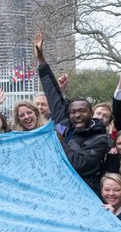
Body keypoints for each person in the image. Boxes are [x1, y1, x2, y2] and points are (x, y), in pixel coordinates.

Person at [35, 33, 108, 192]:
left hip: (86, 192)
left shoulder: (100, 138)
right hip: (60, 188)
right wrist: (41, 61)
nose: (77, 115)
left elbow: (78, 165)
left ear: (91, 113)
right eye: (73, 112)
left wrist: (59, 140)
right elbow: (53, 97)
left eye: (82, 111)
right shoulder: (64, 127)